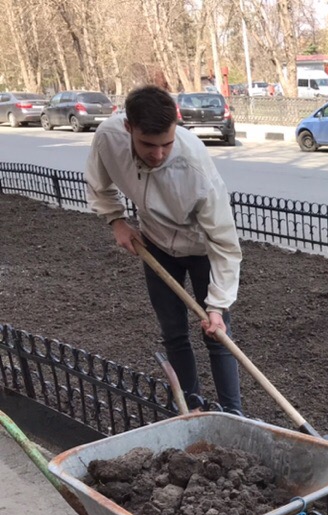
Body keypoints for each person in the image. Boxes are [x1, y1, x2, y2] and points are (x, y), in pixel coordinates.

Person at [85, 84, 243, 414]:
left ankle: (233, 413)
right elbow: (99, 185)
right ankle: (190, 407)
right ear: (128, 127)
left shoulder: (195, 168)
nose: (158, 154)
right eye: (147, 144)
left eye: (166, 144)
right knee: (173, 332)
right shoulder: (108, 138)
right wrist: (117, 222)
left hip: (201, 249)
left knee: (218, 334)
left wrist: (217, 305)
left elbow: (225, 245)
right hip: (155, 244)